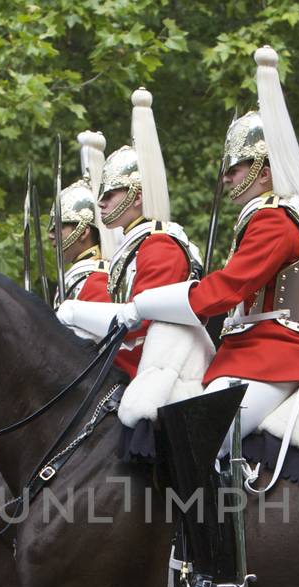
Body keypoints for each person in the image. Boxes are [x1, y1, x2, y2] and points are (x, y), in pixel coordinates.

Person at [98, 49, 299, 587]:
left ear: (261, 166)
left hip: (275, 355)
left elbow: (222, 293)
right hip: (251, 352)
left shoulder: (276, 220)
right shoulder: (271, 219)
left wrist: (145, 304)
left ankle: (218, 579)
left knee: (203, 437)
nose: (225, 179)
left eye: (234, 168)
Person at [55, 90, 200, 383]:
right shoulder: (135, 245)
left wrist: (72, 313)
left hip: (156, 367)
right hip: (134, 358)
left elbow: (142, 324)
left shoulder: (160, 245)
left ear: (137, 196)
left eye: (110, 194)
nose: (101, 204)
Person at [52, 130, 114, 307]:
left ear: (83, 231)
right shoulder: (78, 274)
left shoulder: (97, 277)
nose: (50, 235)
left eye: (59, 227)